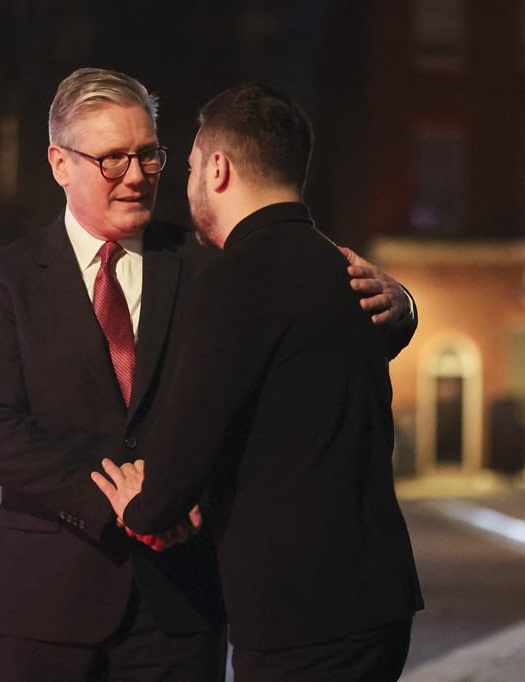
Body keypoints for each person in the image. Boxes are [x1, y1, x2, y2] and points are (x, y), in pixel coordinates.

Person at [0, 68, 417, 681]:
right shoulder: (7, 277)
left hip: (181, 604)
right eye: (113, 159)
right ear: (60, 163)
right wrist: (116, 500)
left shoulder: (211, 266)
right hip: (45, 603)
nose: (137, 175)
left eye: (149, 155)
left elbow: (307, 347)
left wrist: (401, 309)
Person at [91, 83, 424, 682]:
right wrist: (407, 307)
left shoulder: (231, 282)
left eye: (191, 167)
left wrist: (142, 504)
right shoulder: (349, 272)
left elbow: (188, 436)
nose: (189, 183)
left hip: (298, 615)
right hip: (380, 600)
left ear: (218, 169)